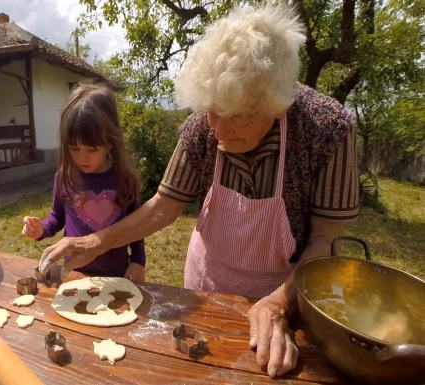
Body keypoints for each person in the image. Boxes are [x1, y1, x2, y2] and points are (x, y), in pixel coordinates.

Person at [38, 4, 358, 378]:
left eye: (237, 117)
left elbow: (327, 239)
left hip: (282, 292)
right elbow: (162, 208)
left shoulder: (327, 130)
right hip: (208, 282)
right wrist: (93, 243)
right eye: (212, 112)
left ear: (277, 105)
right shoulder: (200, 130)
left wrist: (279, 305)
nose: (219, 133)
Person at [22, 83, 146, 282]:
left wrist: (138, 261)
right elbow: (57, 216)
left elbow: (136, 226)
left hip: (116, 276)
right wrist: (41, 229)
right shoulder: (64, 176)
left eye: (92, 149)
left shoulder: (124, 179)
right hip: (74, 274)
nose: (82, 158)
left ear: (110, 141)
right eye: (74, 148)